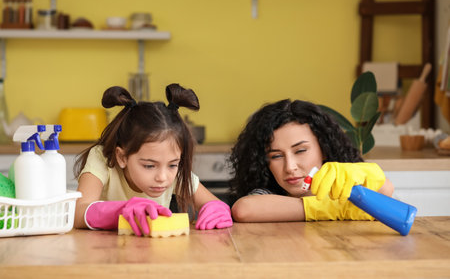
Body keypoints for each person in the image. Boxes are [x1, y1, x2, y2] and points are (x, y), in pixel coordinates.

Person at [74, 84, 232, 235]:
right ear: (122, 157)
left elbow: (214, 204)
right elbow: (77, 212)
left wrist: (217, 209)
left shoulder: (172, 172)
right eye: (149, 166)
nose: (162, 177)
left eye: (173, 165)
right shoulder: (103, 158)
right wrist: (121, 210)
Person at [228, 99, 394, 222]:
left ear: (324, 149)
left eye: (300, 151)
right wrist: (335, 209)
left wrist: (364, 173)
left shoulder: (344, 186)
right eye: (276, 156)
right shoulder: (267, 194)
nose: (290, 167)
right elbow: (244, 209)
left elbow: (385, 189)